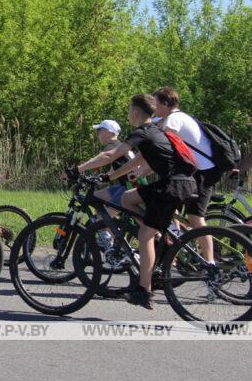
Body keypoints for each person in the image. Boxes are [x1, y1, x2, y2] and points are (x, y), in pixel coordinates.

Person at [69, 93, 197, 310]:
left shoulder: (142, 131)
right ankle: (159, 238)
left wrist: (77, 169)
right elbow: (137, 160)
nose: (128, 113)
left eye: (129, 109)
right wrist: (110, 177)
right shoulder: (155, 131)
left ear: (136, 112)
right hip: (182, 183)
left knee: (144, 235)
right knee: (128, 198)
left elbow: (110, 155)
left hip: (172, 185)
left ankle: (143, 291)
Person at [153, 87, 221, 261]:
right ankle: (174, 254)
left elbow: (163, 147)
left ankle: (210, 262)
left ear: (166, 104)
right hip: (198, 171)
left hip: (203, 173)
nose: (154, 108)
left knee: (196, 218)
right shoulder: (180, 117)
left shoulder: (174, 119)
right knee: (172, 205)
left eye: (156, 104)